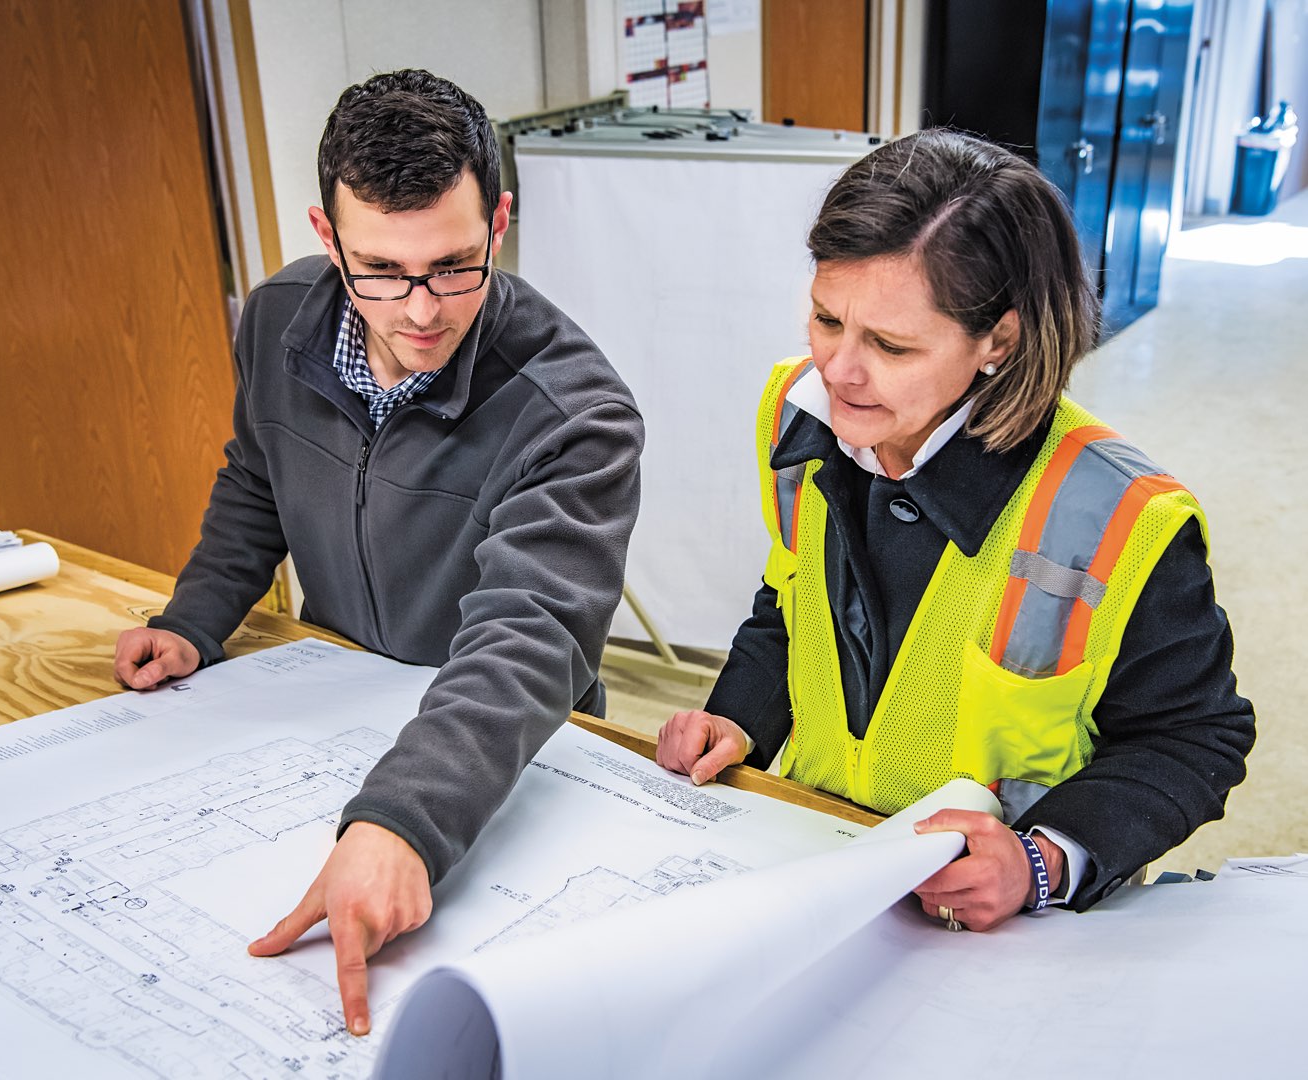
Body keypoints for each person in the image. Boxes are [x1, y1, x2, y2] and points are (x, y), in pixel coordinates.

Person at [112, 70, 643, 1033]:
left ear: (501, 220)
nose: (423, 308)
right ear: (328, 238)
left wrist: (403, 820)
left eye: (454, 264)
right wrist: (196, 618)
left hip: (495, 758)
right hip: (329, 714)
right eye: (381, 272)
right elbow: (257, 472)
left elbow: (529, 639)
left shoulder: (576, 414)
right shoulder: (277, 318)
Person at [656, 129, 1253, 932]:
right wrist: (739, 720)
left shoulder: (1120, 519)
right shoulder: (793, 416)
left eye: (891, 344)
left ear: (998, 340)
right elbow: (790, 607)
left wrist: (1041, 862)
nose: (837, 371)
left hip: (993, 931)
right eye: (827, 319)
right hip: (815, 856)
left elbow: (1192, 737)